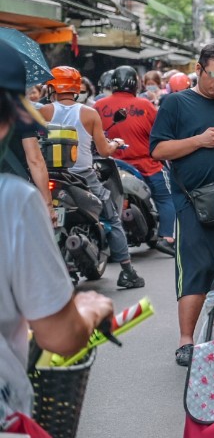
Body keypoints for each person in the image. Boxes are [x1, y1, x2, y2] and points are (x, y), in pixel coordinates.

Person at [0, 42, 114, 422]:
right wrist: (88, 310)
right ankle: (126, 261)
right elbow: (59, 337)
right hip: (6, 408)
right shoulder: (12, 202)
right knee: (110, 214)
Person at [150, 44, 214, 367]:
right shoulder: (176, 103)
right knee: (194, 270)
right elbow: (158, 149)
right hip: (192, 202)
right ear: (199, 69)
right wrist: (199, 141)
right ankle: (186, 339)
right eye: (213, 74)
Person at [38, 66, 145, 290]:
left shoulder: (43, 112)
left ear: (53, 86)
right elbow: (104, 151)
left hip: (49, 176)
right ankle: (127, 271)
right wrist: (115, 143)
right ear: (77, 88)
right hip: (84, 178)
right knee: (113, 219)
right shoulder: (89, 113)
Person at [95, 66, 177, 257]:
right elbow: (160, 134)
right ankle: (167, 237)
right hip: (146, 165)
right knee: (166, 197)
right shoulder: (146, 105)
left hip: (109, 166)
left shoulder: (98, 106)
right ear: (136, 84)